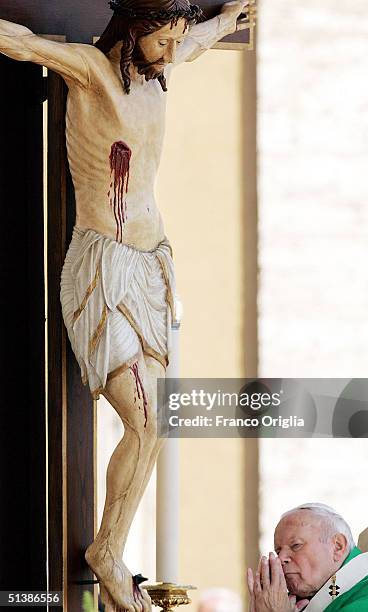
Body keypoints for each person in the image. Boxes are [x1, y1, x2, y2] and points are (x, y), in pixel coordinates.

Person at [0, 2, 254, 611]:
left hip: (150, 268)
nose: (170, 54)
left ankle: (110, 549)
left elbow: (195, 40)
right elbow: (22, 42)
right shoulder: (90, 69)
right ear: (133, 31)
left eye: (173, 41)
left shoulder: (164, 67)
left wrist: (227, 20)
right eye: (159, 41)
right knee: (144, 417)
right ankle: (105, 554)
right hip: (104, 270)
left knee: (156, 423)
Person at [247, 503, 368, 611]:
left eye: (296, 545)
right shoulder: (306, 603)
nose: (281, 559)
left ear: (337, 546)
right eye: (278, 551)